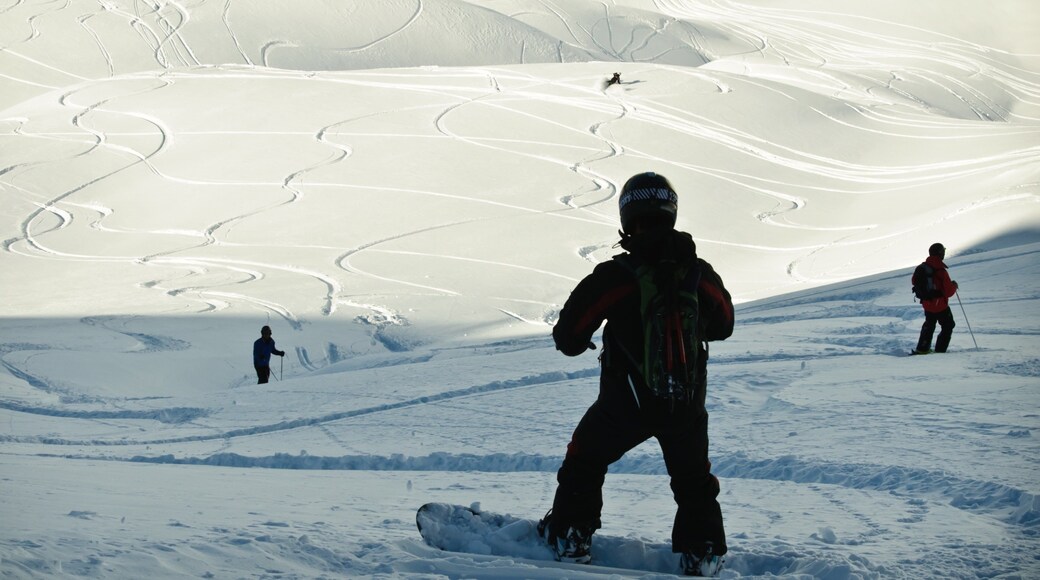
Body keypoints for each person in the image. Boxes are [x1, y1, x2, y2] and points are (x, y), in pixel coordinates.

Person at [540, 172, 734, 576]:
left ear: (628, 215)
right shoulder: (699, 273)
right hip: (686, 402)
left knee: (585, 459)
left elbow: (569, 337)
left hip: (625, 403)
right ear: (671, 212)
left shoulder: (618, 275)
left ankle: (571, 537)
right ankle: (703, 553)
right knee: (693, 480)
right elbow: (724, 324)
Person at [915, 243, 958, 354]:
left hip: (927, 304)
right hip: (940, 305)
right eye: (943, 251)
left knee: (929, 325)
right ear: (940, 253)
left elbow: (914, 281)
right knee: (948, 325)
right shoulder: (941, 270)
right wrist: (954, 286)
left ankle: (922, 349)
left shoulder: (921, 267)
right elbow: (948, 292)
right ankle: (940, 351)